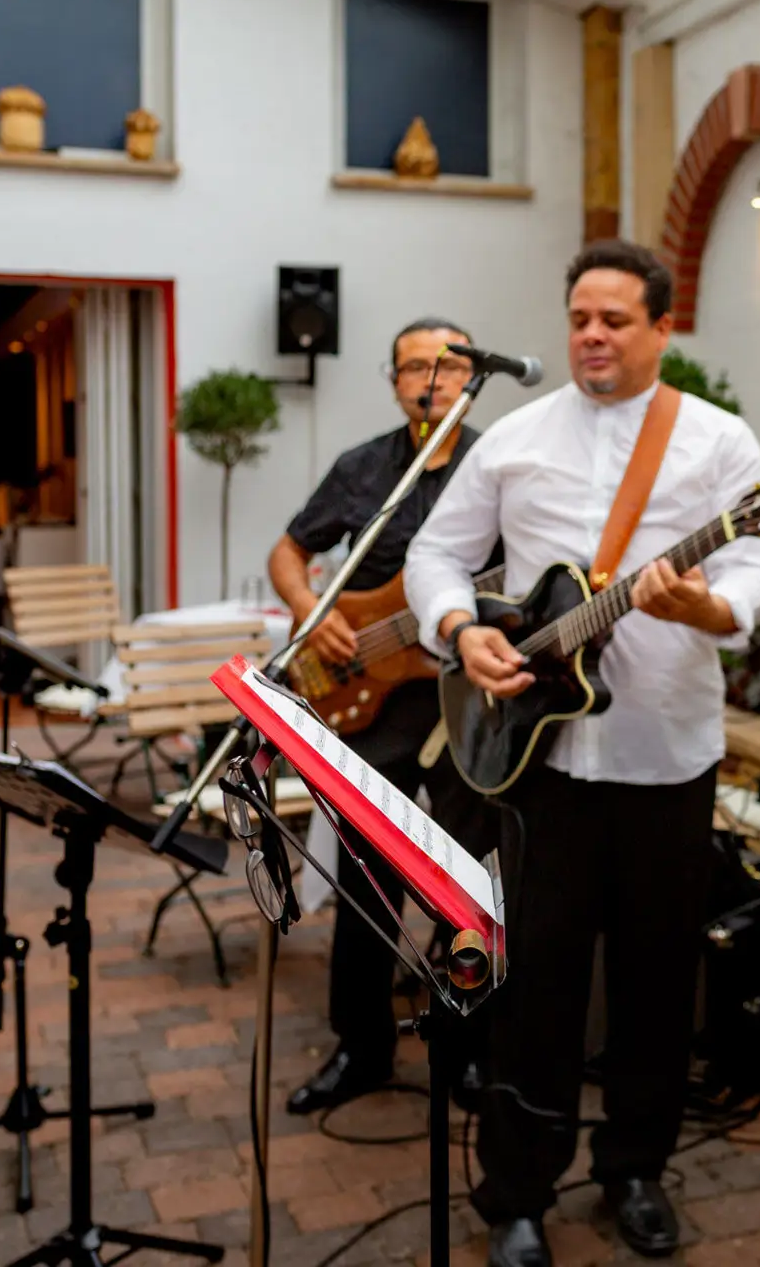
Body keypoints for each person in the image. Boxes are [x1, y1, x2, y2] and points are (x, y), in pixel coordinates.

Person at [404, 239, 760, 1267]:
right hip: (539, 764)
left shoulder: (717, 443)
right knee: (537, 984)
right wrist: (457, 627)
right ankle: (517, 1190)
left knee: (660, 978)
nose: (591, 334)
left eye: (615, 318)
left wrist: (704, 599)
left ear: (664, 327)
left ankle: (634, 1168)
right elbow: (435, 553)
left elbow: (756, 565)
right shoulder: (516, 438)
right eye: (579, 316)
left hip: (667, 752)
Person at [270, 316, 498, 1115]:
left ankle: (471, 1049)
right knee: (368, 881)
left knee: (473, 884)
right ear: (394, 380)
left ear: (473, 377)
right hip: (370, 697)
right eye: (413, 368)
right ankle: (361, 1047)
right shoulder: (363, 468)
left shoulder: (504, 463)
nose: (431, 379)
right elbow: (289, 551)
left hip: (473, 700)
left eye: (447, 366)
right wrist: (309, 608)